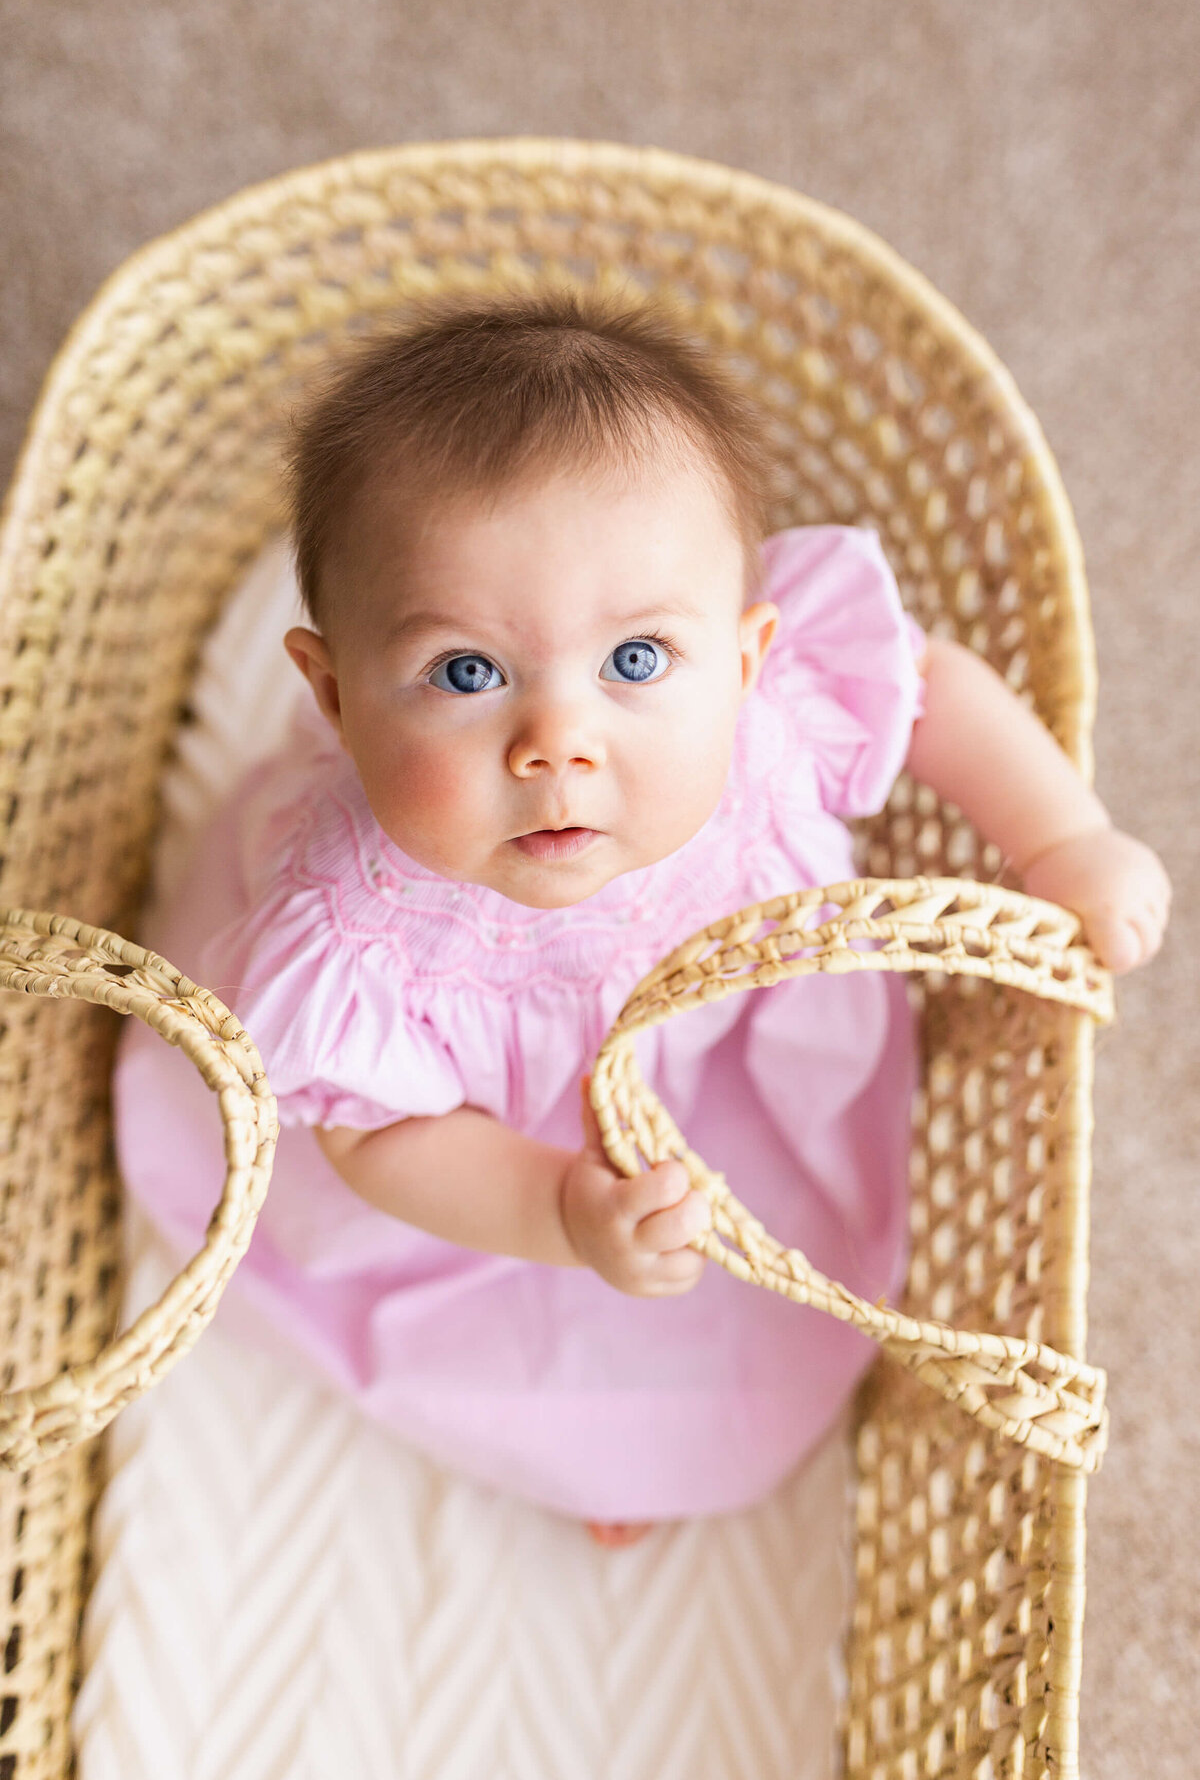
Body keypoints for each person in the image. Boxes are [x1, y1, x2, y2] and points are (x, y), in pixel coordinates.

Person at [113, 293, 1170, 1547]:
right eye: (467, 673)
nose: (559, 745)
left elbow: (929, 686)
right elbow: (385, 1138)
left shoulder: (765, 724)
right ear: (335, 697)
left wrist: (1060, 836)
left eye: (634, 663)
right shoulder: (353, 939)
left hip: (716, 1057)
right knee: (576, 1340)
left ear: (743, 655)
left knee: (764, 1254)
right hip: (506, 1162)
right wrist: (560, 1210)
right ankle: (602, 1443)